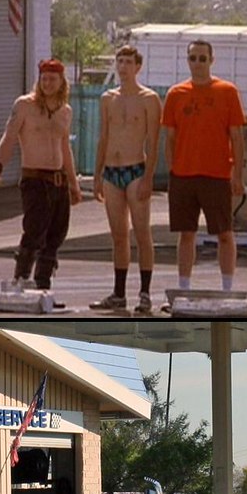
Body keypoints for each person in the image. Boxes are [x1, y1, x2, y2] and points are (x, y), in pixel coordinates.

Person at [0, 58, 81, 291]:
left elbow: (65, 148)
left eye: (53, 79)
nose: (47, 83)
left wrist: (73, 182)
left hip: (58, 180)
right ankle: (21, 279)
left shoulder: (65, 110)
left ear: (62, 82)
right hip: (35, 179)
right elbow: (8, 138)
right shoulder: (24, 105)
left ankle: (42, 286)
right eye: (44, 78)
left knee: (56, 235)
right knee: (34, 231)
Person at [161, 40, 246, 293]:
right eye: (193, 58)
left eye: (202, 58)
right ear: (187, 60)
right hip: (184, 175)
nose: (197, 63)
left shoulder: (227, 91)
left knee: (224, 233)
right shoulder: (176, 94)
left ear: (212, 60)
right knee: (186, 234)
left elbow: (237, 137)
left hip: (217, 174)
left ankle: (227, 288)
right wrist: (173, 170)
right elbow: (170, 138)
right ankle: (184, 288)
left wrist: (237, 174)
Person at [91, 45, 162, 313]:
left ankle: (144, 292)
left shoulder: (149, 98)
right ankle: (119, 292)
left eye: (128, 62)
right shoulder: (107, 98)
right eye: (119, 61)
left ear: (137, 66)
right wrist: (97, 175)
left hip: (136, 169)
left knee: (142, 231)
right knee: (118, 234)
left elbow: (154, 142)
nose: (123, 67)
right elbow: (104, 137)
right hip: (111, 170)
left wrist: (149, 177)